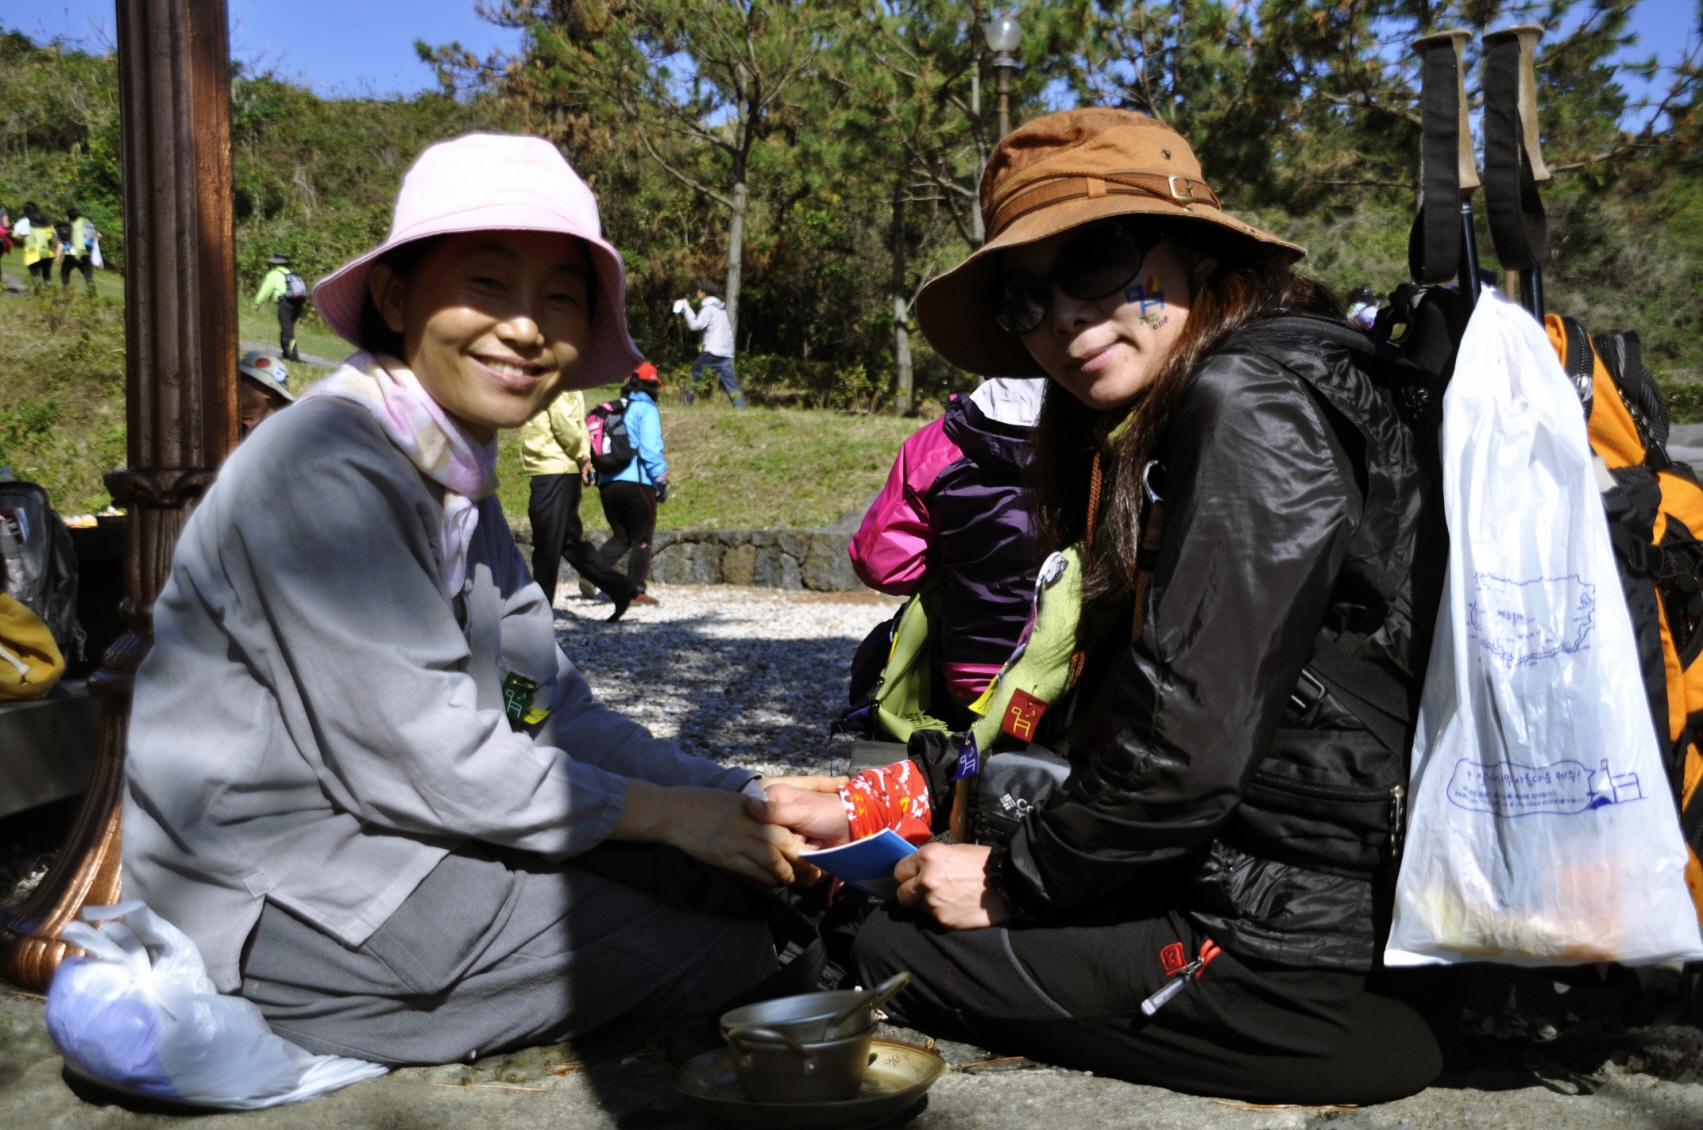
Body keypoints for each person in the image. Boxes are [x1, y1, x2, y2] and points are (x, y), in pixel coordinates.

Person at [762, 108, 1462, 1107]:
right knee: (887, 890)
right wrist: (903, 795)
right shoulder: (1216, 396)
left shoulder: (1248, 402)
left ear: (1191, 251)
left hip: (1291, 958)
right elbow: (1104, 709)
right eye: (1023, 295)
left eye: (1094, 257)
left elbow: (1180, 750)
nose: (1062, 315)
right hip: (1276, 904)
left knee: (874, 939)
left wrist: (1009, 882)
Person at [122, 133, 807, 1068]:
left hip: (401, 835)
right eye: (488, 285)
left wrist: (741, 796)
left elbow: (541, 707)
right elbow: (427, 757)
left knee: (738, 881)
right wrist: (664, 816)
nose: (526, 328)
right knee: (733, 942)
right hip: (288, 887)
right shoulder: (326, 469)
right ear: (398, 298)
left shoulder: (456, 483)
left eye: (559, 297)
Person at [849, 377, 1046, 727]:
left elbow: (882, 565)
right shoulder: (1110, 438)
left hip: (970, 679)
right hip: (1072, 682)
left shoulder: (936, 444)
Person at [520, 368, 641, 619]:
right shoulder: (567, 378)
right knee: (570, 543)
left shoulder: (555, 377)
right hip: (560, 469)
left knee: (546, 545)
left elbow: (565, 423)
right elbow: (577, 423)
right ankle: (622, 589)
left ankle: (537, 615)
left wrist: (583, 457)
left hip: (553, 469)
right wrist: (582, 457)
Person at [594, 366, 669, 604]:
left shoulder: (611, 409)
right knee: (642, 540)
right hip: (636, 482)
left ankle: (592, 571)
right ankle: (635, 592)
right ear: (650, 386)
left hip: (607, 483)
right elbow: (649, 448)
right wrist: (661, 477)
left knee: (622, 537)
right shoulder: (646, 409)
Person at [675, 282, 745, 407]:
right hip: (726, 353)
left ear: (704, 293)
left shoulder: (709, 309)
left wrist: (687, 308)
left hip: (712, 352)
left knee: (694, 377)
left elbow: (695, 325)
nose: (697, 293)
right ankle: (741, 407)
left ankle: (685, 405)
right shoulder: (720, 310)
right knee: (730, 384)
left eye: (698, 291)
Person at [253, 253, 305, 361]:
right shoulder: (292, 273)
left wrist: (257, 303)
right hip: (297, 304)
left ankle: (294, 357)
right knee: (286, 329)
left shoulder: (274, 274)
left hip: (285, 303)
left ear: (274, 264)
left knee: (287, 331)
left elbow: (265, 290)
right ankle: (286, 354)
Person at [237, 349, 295, 440]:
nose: (232, 381)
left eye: (242, 377)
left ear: (268, 391)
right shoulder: (215, 420)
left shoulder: (285, 436)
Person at [58, 207, 96, 293]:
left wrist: (58, 256)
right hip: (86, 253)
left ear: (68, 217)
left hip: (72, 253)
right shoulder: (88, 224)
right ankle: (93, 298)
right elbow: (97, 236)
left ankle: (66, 295)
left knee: (65, 274)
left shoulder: (67, 226)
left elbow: (61, 242)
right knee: (88, 277)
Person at [20, 202, 55, 287]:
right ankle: (50, 291)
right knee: (46, 274)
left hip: (34, 252)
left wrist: (24, 239)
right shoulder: (45, 220)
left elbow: (14, 234)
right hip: (48, 252)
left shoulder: (25, 221)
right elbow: (54, 234)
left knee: (34, 275)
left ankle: (36, 293)